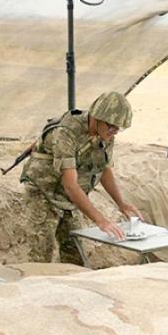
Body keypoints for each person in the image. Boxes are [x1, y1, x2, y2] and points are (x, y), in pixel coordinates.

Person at [19, 91, 143, 265]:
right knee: (41, 255)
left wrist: (121, 204)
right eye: (111, 126)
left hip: (68, 198)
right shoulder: (67, 132)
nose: (114, 132)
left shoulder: (106, 135)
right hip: (44, 192)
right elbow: (70, 184)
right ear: (97, 117)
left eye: (118, 128)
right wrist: (101, 220)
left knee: (75, 255)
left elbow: (104, 169)